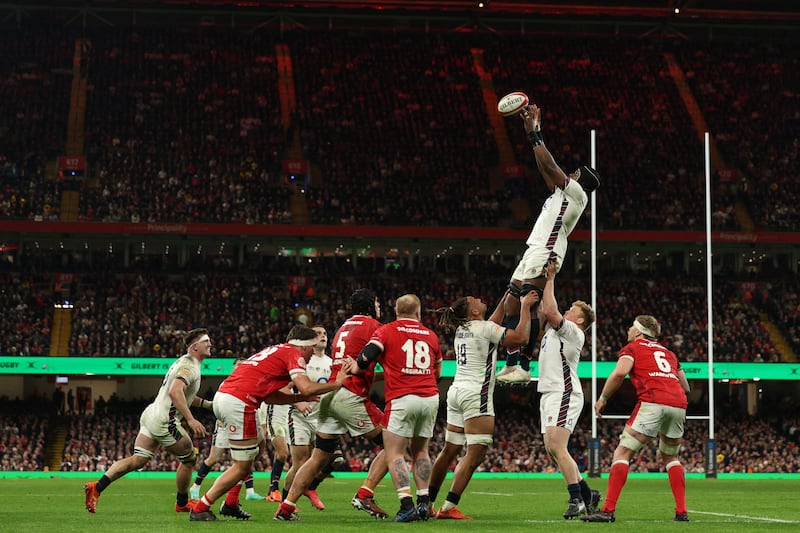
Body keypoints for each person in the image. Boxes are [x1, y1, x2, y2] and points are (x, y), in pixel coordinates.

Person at [189, 326, 350, 522]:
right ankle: (201, 508)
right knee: (241, 465)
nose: (310, 357)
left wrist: (295, 399)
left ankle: (231, 503)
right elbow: (306, 387)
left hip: (230, 396)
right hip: (240, 402)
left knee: (258, 446)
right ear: (306, 346)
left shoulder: (276, 350)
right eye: (312, 348)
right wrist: (337, 383)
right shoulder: (294, 353)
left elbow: (271, 396)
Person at [497, 103, 601, 384]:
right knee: (510, 302)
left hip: (548, 251)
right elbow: (545, 168)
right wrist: (533, 131)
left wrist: (534, 133)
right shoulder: (560, 194)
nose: (571, 174)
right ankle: (511, 362)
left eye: (575, 173)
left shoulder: (578, 193)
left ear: (580, 180)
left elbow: (549, 165)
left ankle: (524, 364)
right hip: (535, 248)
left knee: (528, 305)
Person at [276, 288, 390, 521]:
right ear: (371, 306)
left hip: (332, 395)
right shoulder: (374, 326)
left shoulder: (343, 328)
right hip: (351, 394)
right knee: (394, 443)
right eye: (377, 303)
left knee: (318, 456)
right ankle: (365, 494)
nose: (379, 307)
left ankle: (285, 508)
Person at [428, 290, 539, 520]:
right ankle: (448, 507)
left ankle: (425, 502)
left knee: (450, 450)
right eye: (475, 300)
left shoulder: (464, 328)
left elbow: (491, 322)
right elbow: (520, 338)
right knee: (476, 453)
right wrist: (526, 307)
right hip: (475, 394)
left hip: (456, 392)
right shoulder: (485, 329)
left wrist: (508, 293)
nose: (479, 298)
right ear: (474, 311)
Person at [83, 328, 214, 514]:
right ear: (194, 347)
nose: (210, 344)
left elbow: (185, 395)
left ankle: (97, 487)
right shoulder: (189, 367)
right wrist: (191, 420)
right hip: (164, 421)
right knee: (189, 459)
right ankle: (182, 503)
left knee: (138, 460)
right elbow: (175, 392)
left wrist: (209, 405)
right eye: (206, 341)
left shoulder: (184, 363)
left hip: (151, 414)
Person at [582, 315, 690, 523]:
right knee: (671, 458)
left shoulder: (632, 348)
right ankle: (681, 512)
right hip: (678, 403)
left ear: (639, 332)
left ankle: (608, 510)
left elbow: (619, 373)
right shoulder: (669, 353)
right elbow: (685, 387)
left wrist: (603, 398)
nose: (629, 330)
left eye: (632, 326)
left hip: (653, 401)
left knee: (623, 453)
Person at [352, 294, 443, 523]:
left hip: (402, 397)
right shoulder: (431, 336)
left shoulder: (387, 330)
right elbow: (438, 373)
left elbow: (366, 357)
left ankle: (406, 505)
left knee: (395, 453)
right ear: (418, 312)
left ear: (396, 311)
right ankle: (424, 503)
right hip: (429, 397)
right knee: (421, 451)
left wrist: (357, 366)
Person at [536, 260, 601, 519]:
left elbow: (550, 311)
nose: (567, 310)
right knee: (552, 448)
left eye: (572, 309)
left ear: (580, 319)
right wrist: (540, 283)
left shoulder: (573, 331)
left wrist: (550, 279)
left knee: (556, 444)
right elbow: (545, 308)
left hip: (564, 391)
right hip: (551, 391)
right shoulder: (557, 331)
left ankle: (578, 500)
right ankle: (587, 493)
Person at [190, 358, 264, 503]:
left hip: (243, 422)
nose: (241, 367)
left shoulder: (250, 381)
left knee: (248, 455)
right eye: (238, 365)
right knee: (214, 458)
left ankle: (250, 491)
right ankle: (195, 487)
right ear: (233, 368)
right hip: (224, 425)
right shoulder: (227, 382)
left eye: (244, 365)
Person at [281, 325, 334, 511]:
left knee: (332, 459)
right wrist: (298, 403)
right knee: (300, 463)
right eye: (318, 334)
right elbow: (284, 388)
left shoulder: (331, 362)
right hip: (300, 417)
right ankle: (285, 501)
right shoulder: (302, 361)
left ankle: (311, 488)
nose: (323, 336)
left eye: (325, 333)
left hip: (323, 419)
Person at [265, 402, 291, 502]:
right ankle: (274, 489)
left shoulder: (293, 389)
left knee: (281, 455)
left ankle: (272, 490)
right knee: (283, 453)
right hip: (275, 420)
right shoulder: (279, 386)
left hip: (287, 421)